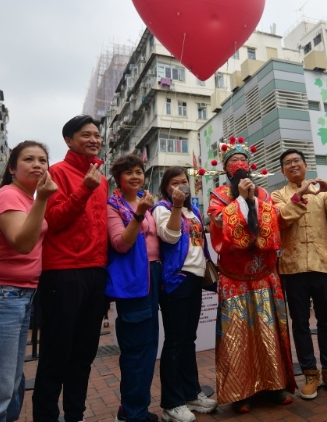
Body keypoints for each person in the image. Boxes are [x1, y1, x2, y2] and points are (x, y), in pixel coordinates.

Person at [0, 141, 57, 420]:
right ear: (13, 168)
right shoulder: (9, 195)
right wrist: (42, 200)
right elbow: (22, 243)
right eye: (29, 159)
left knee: (9, 385)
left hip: (18, 296)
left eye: (42, 160)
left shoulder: (27, 198)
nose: (38, 165)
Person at [207, 139, 296, 413]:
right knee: (237, 334)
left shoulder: (265, 196)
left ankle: (275, 384)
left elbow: (272, 227)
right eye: (234, 162)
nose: (240, 166)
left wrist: (253, 201)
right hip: (235, 278)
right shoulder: (219, 196)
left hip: (264, 276)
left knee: (269, 329)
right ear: (226, 169)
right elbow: (219, 226)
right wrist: (242, 203)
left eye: (243, 161)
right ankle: (239, 390)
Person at [33, 115, 109, 422]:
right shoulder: (54, 173)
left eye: (96, 135)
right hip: (62, 272)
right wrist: (84, 190)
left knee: (84, 355)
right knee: (55, 354)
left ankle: (74, 415)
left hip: (95, 272)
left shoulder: (101, 178)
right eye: (86, 135)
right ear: (69, 140)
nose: (94, 139)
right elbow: (53, 220)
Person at [271, 149, 327, 400]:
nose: (293, 165)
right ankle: (309, 374)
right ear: (283, 170)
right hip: (293, 269)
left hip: (324, 265)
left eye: (296, 161)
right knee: (301, 323)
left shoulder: (323, 193)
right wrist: (300, 195)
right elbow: (280, 221)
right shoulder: (277, 195)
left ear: (306, 165)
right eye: (287, 163)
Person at [154, 167, 217, 421]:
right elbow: (169, 238)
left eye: (184, 181)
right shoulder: (162, 208)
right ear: (166, 187)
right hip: (175, 280)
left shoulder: (195, 210)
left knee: (188, 339)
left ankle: (191, 392)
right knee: (175, 341)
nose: (181, 185)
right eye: (174, 182)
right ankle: (172, 402)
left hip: (195, 279)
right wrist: (177, 207)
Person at [106, 154, 160, 422]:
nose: (136, 176)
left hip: (152, 277)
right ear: (119, 179)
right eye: (129, 172)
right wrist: (138, 215)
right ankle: (133, 414)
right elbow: (120, 243)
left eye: (139, 171)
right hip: (133, 283)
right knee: (137, 349)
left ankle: (132, 407)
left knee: (149, 347)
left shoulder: (145, 203)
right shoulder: (113, 205)